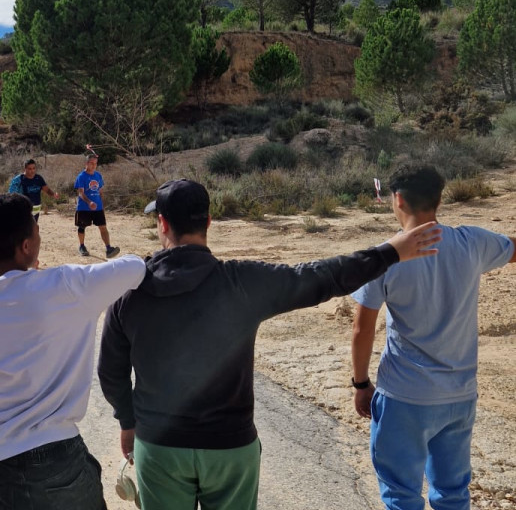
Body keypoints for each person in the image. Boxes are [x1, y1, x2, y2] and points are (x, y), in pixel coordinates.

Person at [97, 178, 443, 510]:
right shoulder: (242, 283)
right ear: (209, 221)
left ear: (162, 223)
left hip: (159, 447)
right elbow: (319, 277)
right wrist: (388, 253)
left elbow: (110, 371)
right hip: (230, 447)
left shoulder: (130, 291)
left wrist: (128, 422)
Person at [0, 193, 147, 510]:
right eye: (37, 231)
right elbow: (134, 267)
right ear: (26, 247)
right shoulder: (67, 286)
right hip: (59, 458)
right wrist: (42, 278)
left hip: (4, 466)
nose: (39, 236)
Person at [349, 165, 515, 510]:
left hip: (404, 396)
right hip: (459, 396)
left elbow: (362, 329)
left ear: (397, 200)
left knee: (400, 494)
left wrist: (361, 383)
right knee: (453, 494)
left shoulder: (382, 258)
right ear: (439, 199)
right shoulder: (473, 242)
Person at [75, 153, 119, 258]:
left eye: (95, 163)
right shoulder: (81, 176)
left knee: (103, 227)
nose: (93, 165)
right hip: (84, 207)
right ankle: (82, 246)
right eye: (91, 163)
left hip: (97, 207)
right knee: (82, 227)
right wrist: (89, 202)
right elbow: (81, 193)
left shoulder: (98, 176)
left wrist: (102, 206)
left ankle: (108, 248)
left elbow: (100, 192)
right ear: (86, 163)